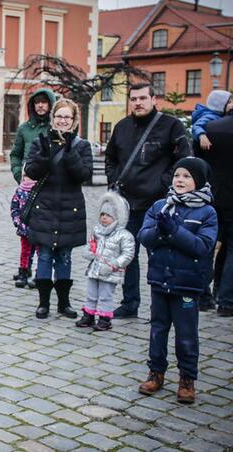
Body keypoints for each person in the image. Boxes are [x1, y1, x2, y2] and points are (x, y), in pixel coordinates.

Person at [105, 82, 193, 319]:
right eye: (133, 99)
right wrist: (114, 179)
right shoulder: (122, 127)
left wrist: (164, 184)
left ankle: (162, 306)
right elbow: (111, 158)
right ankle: (130, 303)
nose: (138, 103)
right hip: (127, 205)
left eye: (143, 98)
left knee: (160, 256)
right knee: (128, 255)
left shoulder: (170, 126)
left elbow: (183, 159)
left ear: (154, 99)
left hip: (159, 205)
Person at [137, 157, 217, 405]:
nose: (180, 180)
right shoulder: (161, 205)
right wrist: (161, 230)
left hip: (187, 284)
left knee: (186, 334)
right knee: (158, 329)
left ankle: (187, 378)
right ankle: (156, 371)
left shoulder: (207, 212)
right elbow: (144, 236)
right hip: (160, 280)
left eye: (186, 176)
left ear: (199, 181)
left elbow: (202, 247)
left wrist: (174, 231)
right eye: (177, 175)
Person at [24, 98, 93, 320]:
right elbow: (32, 172)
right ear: (53, 119)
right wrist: (46, 153)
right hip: (45, 206)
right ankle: (43, 303)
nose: (62, 121)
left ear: (73, 121)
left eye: (67, 117)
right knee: (44, 255)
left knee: (64, 256)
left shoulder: (82, 146)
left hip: (70, 209)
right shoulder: (40, 142)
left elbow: (84, 175)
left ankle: (64, 303)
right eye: (59, 116)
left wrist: (70, 149)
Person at [77, 192, 135, 331]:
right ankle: (89, 315)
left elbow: (128, 254)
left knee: (105, 296)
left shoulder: (124, 235)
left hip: (109, 272)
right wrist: (89, 252)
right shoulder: (97, 231)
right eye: (102, 215)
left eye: (108, 215)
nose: (104, 218)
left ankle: (105, 318)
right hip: (95, 269)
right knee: (91, 294)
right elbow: (91, 245)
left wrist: (114, 265)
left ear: (116, 217)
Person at [205, 111, 233, 316]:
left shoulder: (212, 127)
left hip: (212, 194)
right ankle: (226, 301)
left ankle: (203, 296)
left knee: (208, 245)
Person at [9, 88, 56, 184]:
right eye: (37, 102)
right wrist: (18, 173)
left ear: (50, 104)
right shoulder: (24, 128)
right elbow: (15, 154)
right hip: (28, 179)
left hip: (52, 181)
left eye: (44, 102)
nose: (40, 105)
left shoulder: (56, 127)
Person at [9, 171, 37, 289]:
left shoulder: (38, 191)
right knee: (25, 251)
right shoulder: (20, 191)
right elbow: (14, 207)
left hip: (37, 228)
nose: (28, 179)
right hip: (24, 228)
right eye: (26, 176)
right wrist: (17, 221)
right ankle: (23, 273)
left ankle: (38, 274)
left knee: (38, 252)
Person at [190, 89, 232, 155]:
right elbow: (197, 125)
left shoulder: (219, 115)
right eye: (229, 103)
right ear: (220, 104)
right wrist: (202, 135)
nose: (232, 105)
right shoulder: (210, 116)